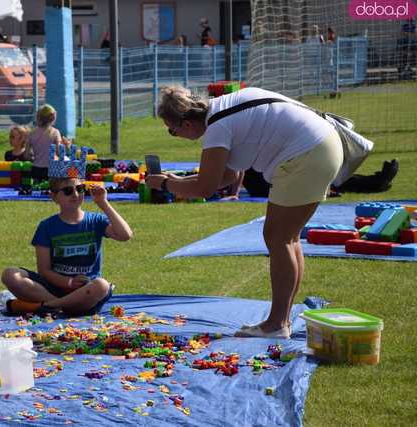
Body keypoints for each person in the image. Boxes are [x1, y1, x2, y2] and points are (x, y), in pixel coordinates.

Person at [146, 86, 344, 339]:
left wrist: (165, 184)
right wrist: (176, 180)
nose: (174, 135)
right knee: (287, 238)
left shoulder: (217, 127)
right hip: (322, 146)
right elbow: (226, 176)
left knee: (278, 237)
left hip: (306, 154)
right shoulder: (221, 110)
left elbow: (205, 188)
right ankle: (280, 320)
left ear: (186, 124)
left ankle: (277, 324)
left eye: (171, 131)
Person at [0, 172, 133, 316]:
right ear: (54, 197)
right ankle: (64, 306)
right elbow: (44, 270)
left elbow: (125, 235)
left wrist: (103, 203)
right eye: (68, 191)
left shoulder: (95, 221)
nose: (75, 194)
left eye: (80, 189)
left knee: (102, 285)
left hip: (86, 291)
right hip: (53, 289)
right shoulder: (47, 226)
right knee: (10, 274)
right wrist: (68, 282)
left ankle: (48, 307)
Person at [239, 159, 399, 197]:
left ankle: (377, 181)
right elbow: (238, 169)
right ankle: (377, 182)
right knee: (323, 178)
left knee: (325, 175)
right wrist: (233, 192)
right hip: (266, 185)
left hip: (270, 179)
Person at [27, 104, 62, 182]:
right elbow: (59, 153)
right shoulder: (55, 132)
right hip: (52, 168)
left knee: (37, 191)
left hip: (36, 169)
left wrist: (34, 158)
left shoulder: (32, 133)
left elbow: (27, 155)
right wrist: (67, 147)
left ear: (38, 117)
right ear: (53, 118)